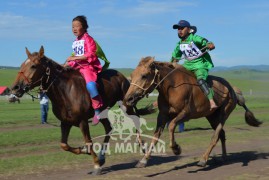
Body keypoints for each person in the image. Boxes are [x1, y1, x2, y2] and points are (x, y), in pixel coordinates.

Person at [65, 15, 108, 125]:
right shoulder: (75, 41)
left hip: (88, 67)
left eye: (77, 26)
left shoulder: (89, 39)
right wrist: (66, 64)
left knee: (90, 86)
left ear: (84, 27)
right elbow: (74, 58)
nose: (74, 29)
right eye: (72, 27)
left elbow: (91, 55)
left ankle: (97, 110)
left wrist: (74, 58)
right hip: (77, 67)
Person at [171, 20, 217, 110]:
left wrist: (210, 45)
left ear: (188, 29)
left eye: (182, 28)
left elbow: (205, 42)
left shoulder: (195, 38)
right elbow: (175, 58)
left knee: (200, 81)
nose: (179, 30)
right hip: (187, 66)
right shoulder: (179, 44)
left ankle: (211, 101)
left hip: (199, 65)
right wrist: (172, 64)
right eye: (178, 29)